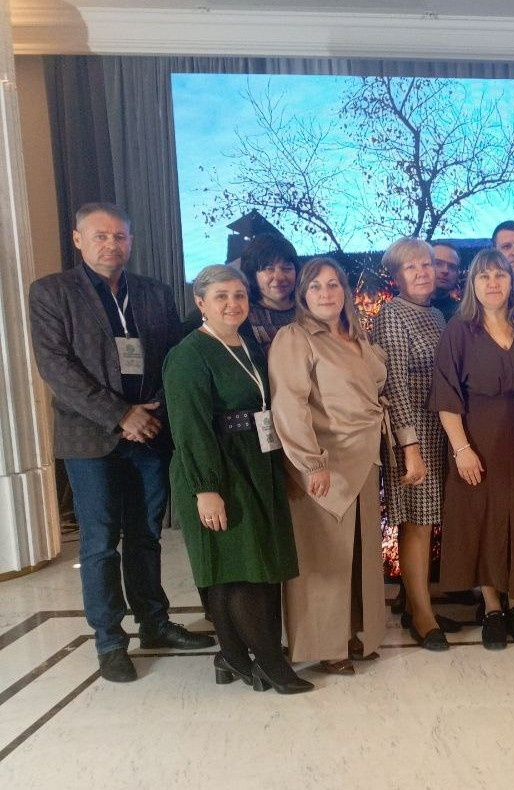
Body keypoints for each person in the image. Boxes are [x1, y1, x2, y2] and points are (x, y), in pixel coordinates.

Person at [28, 201, 213, 683]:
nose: (112, 244)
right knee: (100, 542)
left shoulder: (153, 292)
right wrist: (119, 415)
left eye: (120, 236)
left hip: (149, 433)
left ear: (131, 241)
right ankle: (110, 640)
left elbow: (172, 356)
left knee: (146, 535)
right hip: (91, 438)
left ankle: (154, 623)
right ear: (78, 240)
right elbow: (56, 369)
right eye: (101, 235)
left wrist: (153, 410)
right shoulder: (51, 293)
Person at [164, 265, 311, 694]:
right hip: (218, 466)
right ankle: (268, 662)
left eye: (239, 295)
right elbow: (190, 427)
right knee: (243, 567)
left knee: (246, 565)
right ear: (201, 303)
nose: (233, 304)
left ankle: (231, 654)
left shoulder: (246, 344)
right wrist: (207, 489)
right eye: (222, 297)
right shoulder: (189, 354)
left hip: (256, 461)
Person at [269, 258, 388, 675]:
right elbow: (289, 404)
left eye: (333, 284)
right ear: (303, 293)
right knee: (324, 558)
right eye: (316, 286)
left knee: (359, 554)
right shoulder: (295, 337)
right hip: (324, 463)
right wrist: (310, 461)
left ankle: (356, 634)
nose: (326, 293)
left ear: (345, 291)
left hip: (364, 457)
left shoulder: (357, 335)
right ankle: (325, 646)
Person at [429, 248, 514, 650]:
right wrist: (462, 449)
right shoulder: (459, 331)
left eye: (500, 275)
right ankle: (492, 608)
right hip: (478, 441)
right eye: (484, 276)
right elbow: (446, 396)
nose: (493, 283)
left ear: (512, 281)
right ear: (471, 284)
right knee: (485, 522)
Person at [372, 238, 453, 651]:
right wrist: (409, 447)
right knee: (416, 523)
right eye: (411, 267)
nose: (422, 273)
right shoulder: (392, 314)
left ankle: (415, 602)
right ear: (396, 275)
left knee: (430, 520)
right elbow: (395, 386)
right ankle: (422, 616)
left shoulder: (436, 314)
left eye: (427, 264)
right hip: (413, 432)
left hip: (441, 429)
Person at [238, 233, 299, 352]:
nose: (279, 277)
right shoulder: (243, 316)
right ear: (252, 274)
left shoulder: (309, 307)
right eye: (269, 269)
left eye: (287, 268)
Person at [430, 241, 463, 322]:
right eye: (438, 263)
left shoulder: (464, 315)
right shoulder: (403, 310)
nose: (445, 270)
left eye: (452, 267)